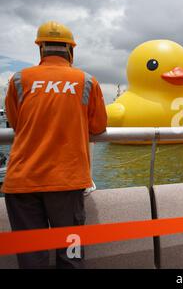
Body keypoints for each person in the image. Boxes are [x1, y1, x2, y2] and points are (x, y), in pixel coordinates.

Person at [1, 21, 107, 269]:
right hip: (66, 182)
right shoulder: (87, 81)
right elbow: (99, 127)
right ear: (71, 50)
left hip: (22, 182)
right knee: (70, 256)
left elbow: (16, 122)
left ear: (40, 49)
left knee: (31, 258)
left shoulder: (19, 79)